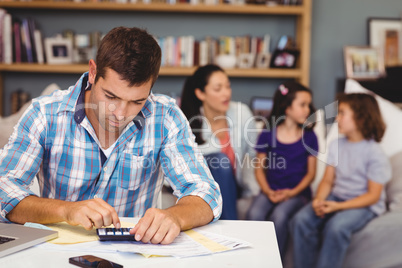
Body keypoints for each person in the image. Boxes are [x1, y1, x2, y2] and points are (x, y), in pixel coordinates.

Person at [0, 26, 222, 245]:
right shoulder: (44, 114)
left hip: (133, 252)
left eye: (137, 101)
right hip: (58, 252)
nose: (121, 114)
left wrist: (176, 216)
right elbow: (3, 190)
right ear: (93, 72)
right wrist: (66, 210)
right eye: (111, 96)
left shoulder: (166, 116)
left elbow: (206, 193)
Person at [291, 93, 391, 268]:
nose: (337, 118)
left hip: (364, 204)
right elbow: (328, 181)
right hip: (337, 197)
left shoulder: (374, 153)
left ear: (361, 118)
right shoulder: (336, 144)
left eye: (343, 113)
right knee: (301, 220)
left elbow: (373, 196)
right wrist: (319, 200)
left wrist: (338, 207)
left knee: (336, 227)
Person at [246, 81, 318, 258]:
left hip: (297, 194)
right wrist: (268, 191)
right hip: (270, 191)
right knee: (254, 213)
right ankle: (252, 260)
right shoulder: (267, 133)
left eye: (308, 104)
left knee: (280, 215)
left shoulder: (310, 137)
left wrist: (291, 193)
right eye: (302, 105)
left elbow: (311, 174)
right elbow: (259, 169)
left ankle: (274, 261)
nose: (307, 109)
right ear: (286, 108)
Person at [180, 64, 258, 220]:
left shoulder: (242, 112)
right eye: (218, 89)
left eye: (228, 87)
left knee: (222, 163)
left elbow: (254, 155)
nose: (226, 93)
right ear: (200, 93)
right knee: (219, 161)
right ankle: (231, 228)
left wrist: (257, 191)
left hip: (236, 185)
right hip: (204, 188)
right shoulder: (189, 123)